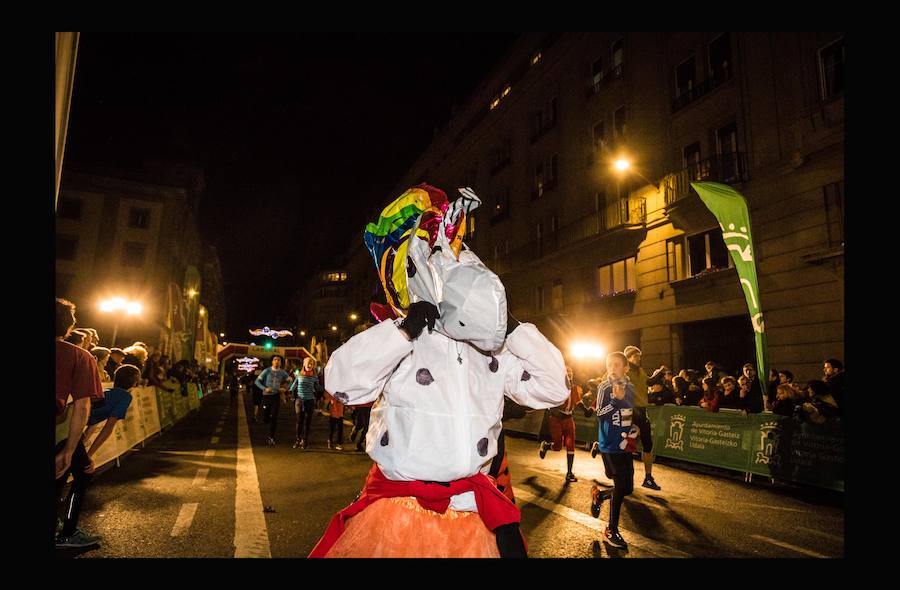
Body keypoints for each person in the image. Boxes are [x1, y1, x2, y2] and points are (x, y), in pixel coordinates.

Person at [309, 184, 568, 558]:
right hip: (400, 517)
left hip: (470, 515)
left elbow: (554, 389)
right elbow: (341, 383)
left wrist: (513, 330)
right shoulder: (403, 337)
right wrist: (403, 331)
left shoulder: (488, 351)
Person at [55, 299, 104, 549]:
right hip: (59, 435)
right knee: (81, 474)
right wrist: (70, 449)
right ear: (67, 327)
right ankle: (66, 533)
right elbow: (83, 406)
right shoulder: (79, 356)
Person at [589, 351, 639, 549]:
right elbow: (600, 413)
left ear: (626, 368)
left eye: (617, 365)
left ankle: (600, 496)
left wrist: (635, 428)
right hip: (609, 444)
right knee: (619, 485)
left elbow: (629, 412)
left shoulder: (631, 387)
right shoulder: (605, 387)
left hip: (625, 444)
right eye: (609, 365)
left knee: (628, 489)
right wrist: (615, 401)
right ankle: (611, 529)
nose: (612, 368)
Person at [82, 365, 139, 464]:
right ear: (134, 381)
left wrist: (80, 449)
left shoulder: (109, 392)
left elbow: (93, 423)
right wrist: (88, 455)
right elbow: (108, 427)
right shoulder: (125, 397)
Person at [623, 346, 661, 491]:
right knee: (628, 445)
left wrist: (660, 373)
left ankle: (648, 477)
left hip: (642, 411)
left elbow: (649, 382)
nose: (638, 358)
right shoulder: (624, 371)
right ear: (628, 358)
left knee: (648, 444)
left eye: (639, 356)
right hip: (629, 411)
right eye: (635, 356)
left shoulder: (641, 371)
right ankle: (624, 476)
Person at [538, 366, 583, 482]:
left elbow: (581, 405)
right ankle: (547, 445)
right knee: (558, 446)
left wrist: (592, 408)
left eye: (571, 372)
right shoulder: (556, 387)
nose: (569, 374)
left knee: (570, 445)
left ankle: (569, 473)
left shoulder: (575, 388)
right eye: (566, 372)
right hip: (556, 419)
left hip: (569, 419)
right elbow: (548, 401)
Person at [255, 355, 291, 445]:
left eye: (278, 360)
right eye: (275, 359)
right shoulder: (266, 371)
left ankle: (271, 437)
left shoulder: (283, 372)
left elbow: (291, 380)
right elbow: (257, 382)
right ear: (272, 362)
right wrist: (264, 388)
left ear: (281, 362)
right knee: (265, 417)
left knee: (274, 417)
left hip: (276, 396)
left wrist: (285, 388)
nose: (277, 361)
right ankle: (267, 418)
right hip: (266, 396)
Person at [291, 357, 323, 449]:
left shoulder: (314, 376)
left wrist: (326, 389)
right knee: (299, 421)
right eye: (308, 363)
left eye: (312, 364)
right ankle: (298, 439)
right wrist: (286, 391)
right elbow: (293, 386)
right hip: (299, 401)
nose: (309, 365)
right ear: (304, 364)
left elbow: (317, 388)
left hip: (310, 401)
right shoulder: (299, 376)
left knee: (307, 422)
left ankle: (305, 440)